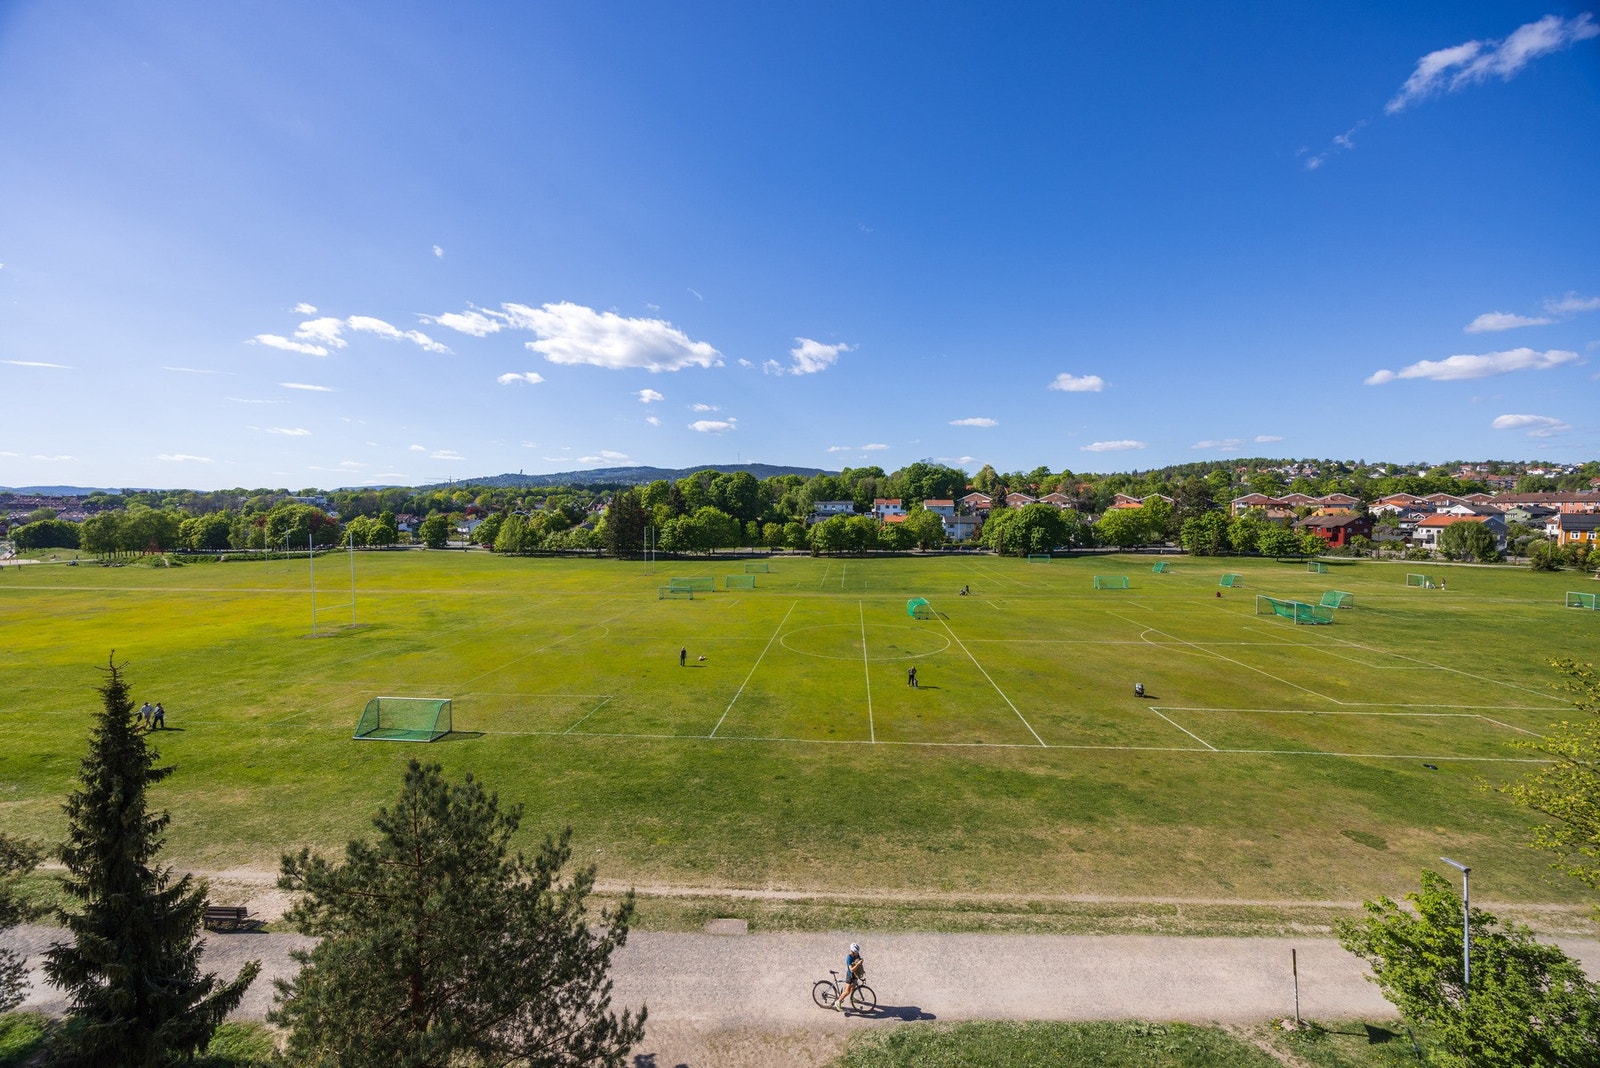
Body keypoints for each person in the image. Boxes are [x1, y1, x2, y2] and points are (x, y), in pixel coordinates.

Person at [837, 942, 865, 1011]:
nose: (857, 953)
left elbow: (859, 959)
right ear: (852, 951)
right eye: (856, 952)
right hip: (850, 976)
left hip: (855, 975)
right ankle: (838, 1002)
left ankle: (852, 998)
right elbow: (851, 970)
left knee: (854, 987)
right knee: (847, 991)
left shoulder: (856, 954)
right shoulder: (848, 958)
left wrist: (861, 961)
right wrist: (858, 964)